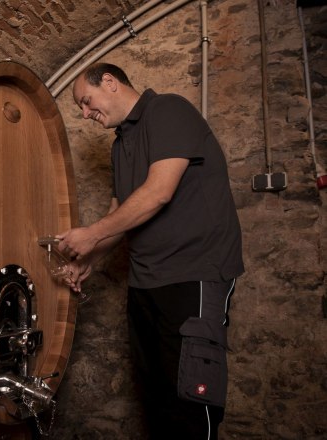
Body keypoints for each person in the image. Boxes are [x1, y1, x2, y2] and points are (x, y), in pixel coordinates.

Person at [56, 63, 244, 439]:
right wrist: (89, 258)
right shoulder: (120, 144)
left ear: (109, 82)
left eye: (86, 101)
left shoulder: (168, 110)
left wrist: (90, 235)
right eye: (80, 107)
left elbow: (158, 192)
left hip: (194, 274)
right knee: (154, 398)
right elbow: (120, 212)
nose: (85, 113)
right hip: (146, 281)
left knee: (190, 403)